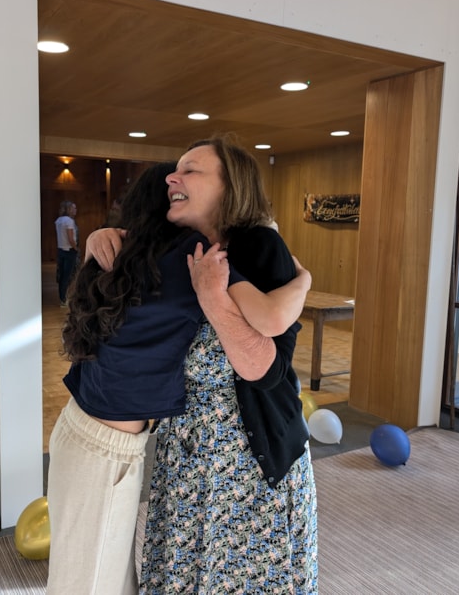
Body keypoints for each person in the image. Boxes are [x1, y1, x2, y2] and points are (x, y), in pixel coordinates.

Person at [46, 162, 310, 595]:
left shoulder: (137, 253)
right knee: (89, 584)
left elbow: (264, 347)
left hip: (87, 432)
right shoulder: (189, 256)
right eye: (175, 179)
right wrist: (305, 280)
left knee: (104, 581)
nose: (177, 182)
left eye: (191, 173)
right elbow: (274, 314)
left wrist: (99, 235)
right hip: (103, 448)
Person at [55, 200, 79, 306]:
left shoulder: (58, 220)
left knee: (62, 275)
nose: (75, 210)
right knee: (68, 275)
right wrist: (76, 248)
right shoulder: (69, 221)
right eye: (73, 208)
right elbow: (70, 238)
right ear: (69, 209)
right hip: (69, 251)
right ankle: (65, 298)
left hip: (60, 250)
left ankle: (62, 296)